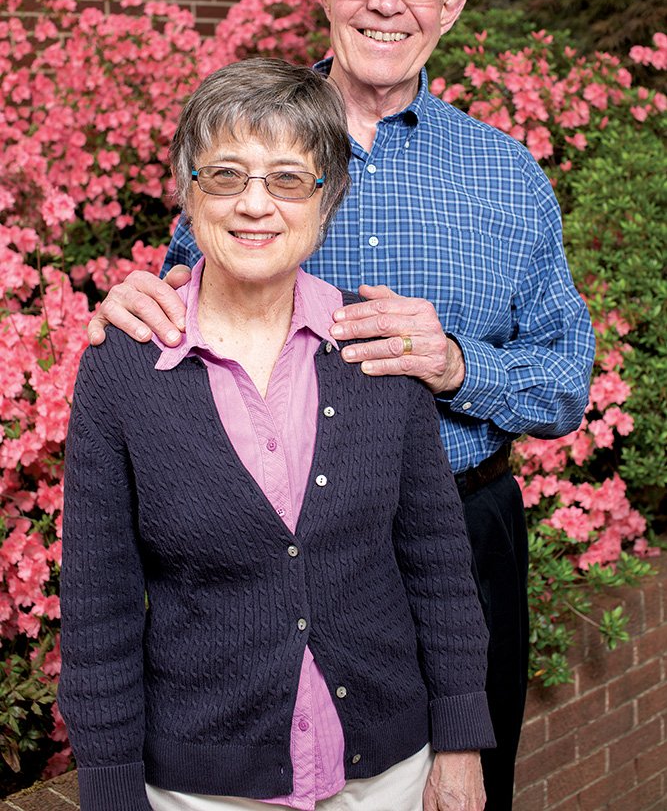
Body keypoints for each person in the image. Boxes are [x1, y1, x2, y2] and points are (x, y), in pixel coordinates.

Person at [86, 0, 596, 810]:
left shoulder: (505, 174)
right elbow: (180, 317)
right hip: (256, 553)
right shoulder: (254, 143)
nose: (386, 2)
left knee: (464, 787)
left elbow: (565, 382)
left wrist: (455, 365)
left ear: (453, 7)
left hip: (460, 534)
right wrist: (130, 302)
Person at [59, 58, 495, 811]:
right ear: (187, 191)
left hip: (388, 774)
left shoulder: (375, 346)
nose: (254, 205)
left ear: (328, 199)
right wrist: (110, 792)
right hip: (202, 790)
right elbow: (98, 606)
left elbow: (436, 564)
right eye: (225, 174)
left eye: (288, 178)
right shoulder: (124, 369)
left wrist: (457, 744)